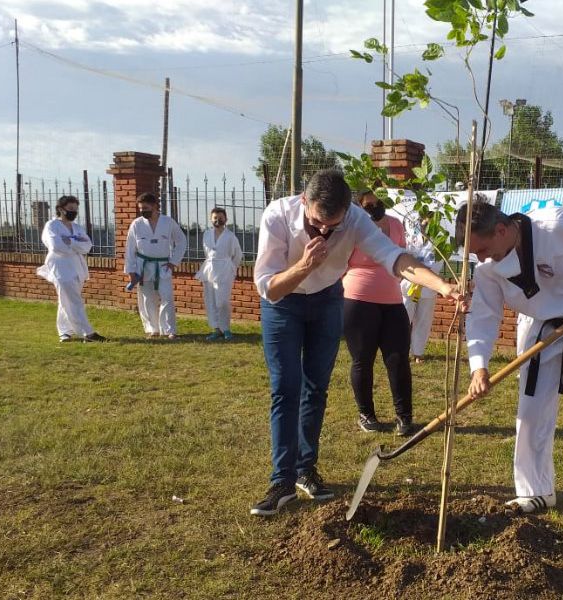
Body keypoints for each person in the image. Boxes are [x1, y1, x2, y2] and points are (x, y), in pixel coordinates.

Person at [251, 170, 462, 517]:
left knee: (316, 388)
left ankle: (306, 470)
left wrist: (442, 286)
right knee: (285, 387)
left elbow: (395, 258)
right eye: (319, 223)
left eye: (333, 226)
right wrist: (304, 266)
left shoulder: (354, 219)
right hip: (283, 304)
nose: (325, 232)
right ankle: (281, 481)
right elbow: (269, 288)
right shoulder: (277, 215)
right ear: (304, 201)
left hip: (328, 301)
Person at [459, 199, 563, 541]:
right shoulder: (486, 269)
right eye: (473, 253)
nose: (480, 258)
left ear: (503, 230)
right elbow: (483, 317)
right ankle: (535, 490)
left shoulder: (555, 224)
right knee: (531, 413)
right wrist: (479, 367)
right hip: (540, 328)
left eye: (483, 248)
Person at [342, 191, 415, 436]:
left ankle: (404, 417)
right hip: (358, 300)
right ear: (360, 206)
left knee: (398, 359)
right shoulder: (354, 228)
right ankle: (367, 414)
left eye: (378, 202)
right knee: (363, 360)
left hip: (393, 300)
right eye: (369, 204)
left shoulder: (395, 224)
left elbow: (401, 257)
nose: (375, 206)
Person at [36, 195, 106, 343]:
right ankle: (87, 333)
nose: (73, 212)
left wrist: (71, 242)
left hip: (77, 267)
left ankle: (64, 332)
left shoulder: (77, 228)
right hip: (60, 267)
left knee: (65, 300)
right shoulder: (52, 225)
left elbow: (87, 246)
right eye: (70, 209)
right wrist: (76, 245)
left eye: (75, 209)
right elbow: (56, 247)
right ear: (61, 209)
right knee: (74, 300)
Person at [124, 192, 188, 339]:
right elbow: (130, 248)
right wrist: (131, 271)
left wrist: (173, 262)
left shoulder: (168, 222)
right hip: (143, 265)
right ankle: (153, 329)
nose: (142, 211)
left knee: (167, 297)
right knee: (147, 299)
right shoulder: (137, 224)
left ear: (154, 206)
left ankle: (169, 330)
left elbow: (181, 241)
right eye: (140, 208)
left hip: (163, 265)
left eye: (145, 207)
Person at [195, 207, 243, 341]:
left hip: (225, 270)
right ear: (211, 219)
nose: (218, 220)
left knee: (222, 301)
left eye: (220, 218)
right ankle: (216, 329)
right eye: (215, 218)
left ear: (225, 219)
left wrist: (232, 268)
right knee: (210, 300)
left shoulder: (230, 236)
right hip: (210, 269)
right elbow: (207, 253)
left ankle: (226, 328)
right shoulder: (206, 234)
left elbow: (238, 255)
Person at [401, 216, 442, 363]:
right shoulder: (411, 240)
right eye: (423, 224)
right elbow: (404, 258)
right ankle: (401, 350)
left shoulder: (439, 243)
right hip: (409, 285)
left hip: (428, 286)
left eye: (429, 224)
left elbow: (438, 264)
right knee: (404, 319)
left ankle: (418, 353)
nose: (425, 227)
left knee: (423, 321)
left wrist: (424, 272)